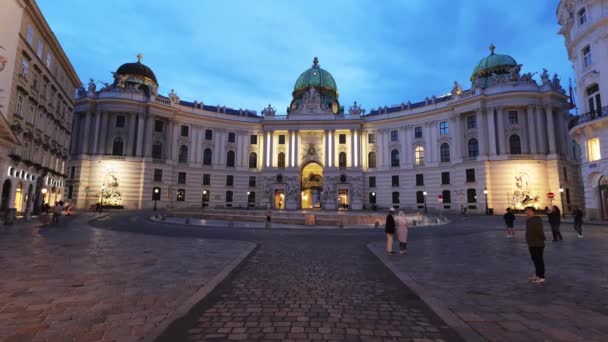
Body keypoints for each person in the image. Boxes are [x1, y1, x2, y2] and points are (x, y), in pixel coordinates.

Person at [525, 206, 546, 284]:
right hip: (531, 243)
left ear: (533, 212)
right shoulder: (529, 220)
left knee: (539, 260)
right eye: (526, 211)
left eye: (529, 211)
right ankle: (537, 274)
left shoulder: (536, 220)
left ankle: (541, 277)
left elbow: (540, 231)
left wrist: (543, 238)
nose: (527, 212)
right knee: (535, 260)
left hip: (537, 243)